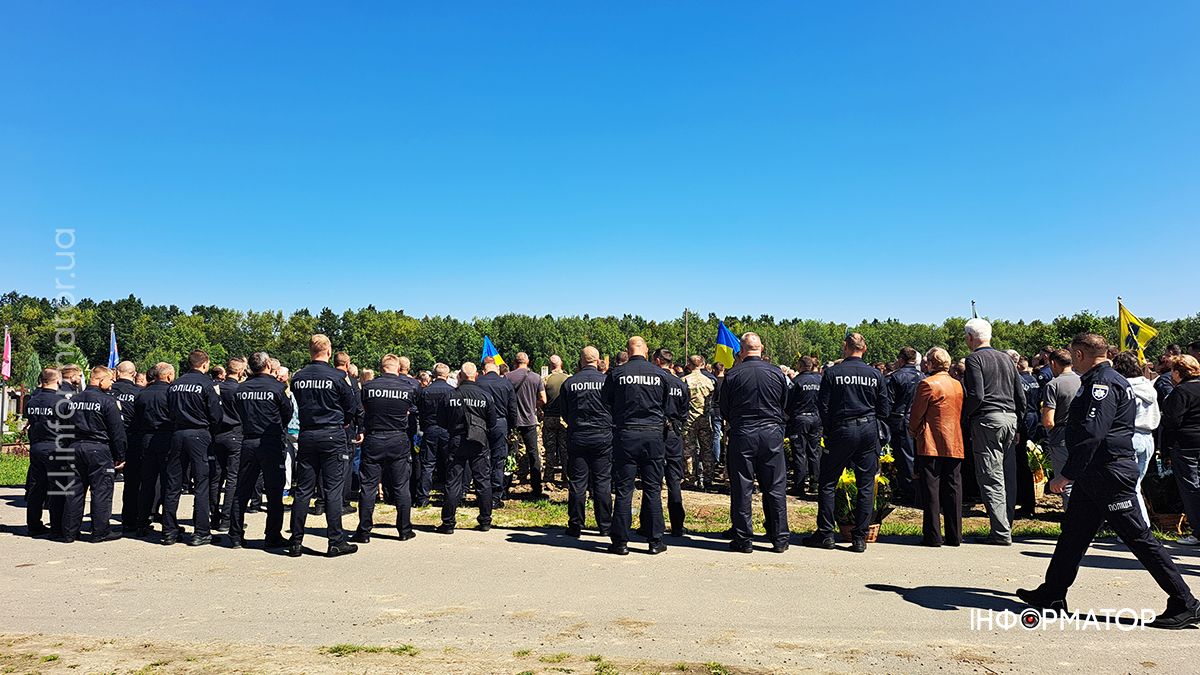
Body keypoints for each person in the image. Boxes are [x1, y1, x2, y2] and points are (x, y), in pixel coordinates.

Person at [1018, 333, 1200, 629]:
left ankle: (1185, 602)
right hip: (1095, 474)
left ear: (1079, 355)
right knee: (1073, 534)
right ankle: (1053, 592)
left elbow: (1093, 433)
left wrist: (1066, 474)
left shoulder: (1101, 383)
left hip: (1108, 473)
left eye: (1074, 355)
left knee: (1139, 538)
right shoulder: (1106, 379)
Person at [805, 333, 891, 553]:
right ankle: (860, 537)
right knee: (865, 485)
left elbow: (823, 407)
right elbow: (884, 409)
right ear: (865, 348)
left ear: (845, 347)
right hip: (868, 430)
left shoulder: (833, 373)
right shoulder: (875, 374)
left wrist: (831, 430)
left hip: (841, 429)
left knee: (827, 483)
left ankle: (826, 533)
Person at [288, 334, 360, 558]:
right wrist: (343, 421)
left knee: (303, 490)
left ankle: (295, 541)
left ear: (309, 351)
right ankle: (336, 541)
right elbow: (351, 406)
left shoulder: (298, 377)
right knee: (333, 490)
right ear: (329, 351)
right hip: (332, 434)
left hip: (307, 433)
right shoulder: (338, 377)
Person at [720, 333, 790, 553]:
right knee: (775, 486)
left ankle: (743, 539)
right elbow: (784, 403)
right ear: (762, 348)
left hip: (743, 432)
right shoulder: (776, 373)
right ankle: (780, 538)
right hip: (771, 433)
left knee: (742, 487)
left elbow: (724, 408)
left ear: (741, 350)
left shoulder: (733, 374)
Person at [603, 336, 671, 555]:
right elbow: (667, 405)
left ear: (627, 350)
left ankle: (620, 543)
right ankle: (655, 541)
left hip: (626, 434)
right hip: (653, 435)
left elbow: (607, 402)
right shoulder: (660, 374)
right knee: (653, 488)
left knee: (624, 490)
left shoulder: (617, 374)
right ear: (646, 350)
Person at [962, 318, 1025, 546]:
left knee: (990, 477)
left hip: (988, 419)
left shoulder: (974, 359)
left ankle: (1000, 532)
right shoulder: (1006, 358)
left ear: (970, 338)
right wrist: (1019, 424)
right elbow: (1020, 395)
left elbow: (977, 395)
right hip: (1010, 417)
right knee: (1006, 475)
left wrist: (965, 416)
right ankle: (1005, 523)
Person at [228, 351, 293, 549]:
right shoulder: (278, 387)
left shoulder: (241, 389)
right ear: (268, 365)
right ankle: (272, 535)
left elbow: (238, 411)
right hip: (270, 442)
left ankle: (235, 535)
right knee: (274, 491)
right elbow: (287, 413)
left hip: (248, 440)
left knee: (242, 489)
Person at [353, 354, 420, 543]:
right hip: (398, 438)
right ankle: (404, 530)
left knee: (368, 487)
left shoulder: (368, 387)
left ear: (381, 368)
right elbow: (415, 409)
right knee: (401, 487)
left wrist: (361, 429)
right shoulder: (408, 388)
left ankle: (364, 531)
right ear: (398, 368)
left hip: (374, 437)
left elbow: (360, 411)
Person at [63, 366, 127, 543]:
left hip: (75, 448)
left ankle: (69, 532)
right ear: (100, 380)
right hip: (99, 449)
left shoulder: (72, 400)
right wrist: (120, 456)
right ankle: (100, 532)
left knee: (74, 492)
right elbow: (117, 432)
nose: (112, 384)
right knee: (101, 491)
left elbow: (63, 428)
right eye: (110, 380)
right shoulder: (107, 402)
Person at [908, 347, 964, 547]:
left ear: (931, 363)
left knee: (931, 489)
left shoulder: (927, 384)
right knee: (953, 488)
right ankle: (955, 535)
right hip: (954, 440)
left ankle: (933, 535)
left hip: (931, 441)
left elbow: (917, 414)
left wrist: (913, 430)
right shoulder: (957, 384)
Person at [166, 349, 223, 546]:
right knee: (201, 484)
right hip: (199, 434)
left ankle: (169, 531)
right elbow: (216, 415)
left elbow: (168, 410)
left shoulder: (175, 384)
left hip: (177, 434)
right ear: (205, 364)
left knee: (173, 484)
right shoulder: (207, 384)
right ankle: (201, 531)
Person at [436, 362, 497, 534]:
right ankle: (485, 521)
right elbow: (492, 422)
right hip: (479, 441)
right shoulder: (485, 396)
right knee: (482, 481)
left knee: (453, 482)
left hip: (456, 440)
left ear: (460, 376)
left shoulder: (450, 396)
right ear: (476, 376)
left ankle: (448, 523)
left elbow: (441, 421)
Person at [559, 346, 613, 537]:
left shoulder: (570, 382)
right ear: (598, 361)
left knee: (577, 482)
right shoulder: (607, 382)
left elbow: (564, 412)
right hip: (603, 436)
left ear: (581, 361)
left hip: (578, 435)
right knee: (602, 481)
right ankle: (605, 526)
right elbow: (613, 408)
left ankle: (575, 525)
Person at [642, 348, 688, 538]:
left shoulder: (653, 381)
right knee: (674, 480)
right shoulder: (680, 384)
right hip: (674, 434)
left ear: (658, 361)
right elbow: (684, 412)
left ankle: (649, 524)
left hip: (655, 431)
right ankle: (677, 525)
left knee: (651, 480)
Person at [1113, 351, 1159, 526]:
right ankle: (1141, 524)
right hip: (1148, 437)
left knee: (1127, 488)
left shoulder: (1123, 387)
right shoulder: (1148, 386)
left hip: (1130, 436)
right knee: (1135, 485)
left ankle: (1136, 526)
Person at [1162, 354, 1200, 546]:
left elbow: (1171, 421)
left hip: (1185, 444)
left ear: (1178, 372)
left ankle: (1198, 530)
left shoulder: (1181, 392)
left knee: (1190, 487)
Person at [23, 368, 67, 537]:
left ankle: (33, 525)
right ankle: (56, 527)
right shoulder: (61, 402)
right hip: (55, 447)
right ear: (58, 381)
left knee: (36, 488)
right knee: (57, 489)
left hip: (36, 447)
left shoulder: (32, 401)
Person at [134, 363, 175, 538]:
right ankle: (168, 524)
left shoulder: (142, 393)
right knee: (169, 483)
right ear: (169, 376)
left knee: (147, 483)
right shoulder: (171, 393)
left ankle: (142, 522)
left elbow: (136, 418)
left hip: (146, 439)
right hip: (166, 438)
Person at [1041, 349, 1081, 509]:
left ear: (1053, 363)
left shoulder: (1053, 385)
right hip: (1083, 436)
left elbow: (1048, 420)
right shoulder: (1083, 381)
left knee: (1065, 484)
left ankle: (1073, 519)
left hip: (1061, 437)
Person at [885, 347, 925, 506]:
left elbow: (888, 403)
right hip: (919, 420)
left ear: (901, 360)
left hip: (900, 420)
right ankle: (916, 491)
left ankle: (909, 492)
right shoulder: (922, 376)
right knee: (916, 456)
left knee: (904, 458)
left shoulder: (895, 377)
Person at [211, 357, 245, 533]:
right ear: (239, 371)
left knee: (216, 477)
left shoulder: (216, 388)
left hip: (217, 434)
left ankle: (214, 514)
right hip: (235, 433)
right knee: (232, 477)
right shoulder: (239, 390)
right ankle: (226, 518)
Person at [477, 359, 518, 505]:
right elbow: (512, 409)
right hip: (500, 423)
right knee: (498, 460)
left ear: (484, 371)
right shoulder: (506, 384)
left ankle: (482, 493)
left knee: (481, 458)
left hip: (480, 423)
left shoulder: (478, 383)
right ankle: (496, 495)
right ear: (498, 371)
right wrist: (511, 427)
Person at [506, 352, 547, 497]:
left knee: (509, 453)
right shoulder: (535, 377)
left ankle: (505, 486)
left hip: (512, 420)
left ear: (514, 362)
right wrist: (533, 405)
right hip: (529, 420)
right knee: (533, 453)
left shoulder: (508, 377)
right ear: (527, 362)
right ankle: (536, 487)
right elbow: (543, 399)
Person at [108, 360, 142, 533]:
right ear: (134, 374)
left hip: (108, 441)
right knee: (132, 484)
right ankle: (130, 520)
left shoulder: (107, 392)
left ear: (116, 373)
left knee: (103, 485)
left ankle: (100, 521)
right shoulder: (139, 393)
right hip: (132, 441)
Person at [415, 363, 454, 507]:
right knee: (450, 463)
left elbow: (420, 412)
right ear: (447, 375)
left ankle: (423, 498)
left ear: (434, 375)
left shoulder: (425, 391)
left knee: (428, 464)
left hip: (430, 429)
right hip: (447, 430)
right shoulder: (452, 391)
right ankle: (449, 496)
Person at [785, 356, 822, 496]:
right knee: (814, 451)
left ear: (800, 366)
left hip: (799, 419)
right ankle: (815, 483)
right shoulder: (820, 380)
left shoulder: (796, 381)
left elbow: (787, 402)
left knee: (799, 452)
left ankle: (799, 485)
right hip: (816, 419)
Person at [682, 355, 716, 491]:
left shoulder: (685, 380)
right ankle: (708, 478)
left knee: (689, 449)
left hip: (689, 419)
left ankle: (690, 478)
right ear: (702, 364)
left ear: (689, 364)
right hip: (705, 418)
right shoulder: (709, 381)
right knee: (706, 449)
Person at [541, 355, 570, 486]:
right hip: (564, 419)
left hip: (549, 417)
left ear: (550, 365)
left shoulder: (545, 380)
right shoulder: (568, 379)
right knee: (565, 450)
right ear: (561, 363)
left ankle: (548, 478)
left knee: (550, 450)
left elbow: (541, 399)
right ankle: (567, 477)